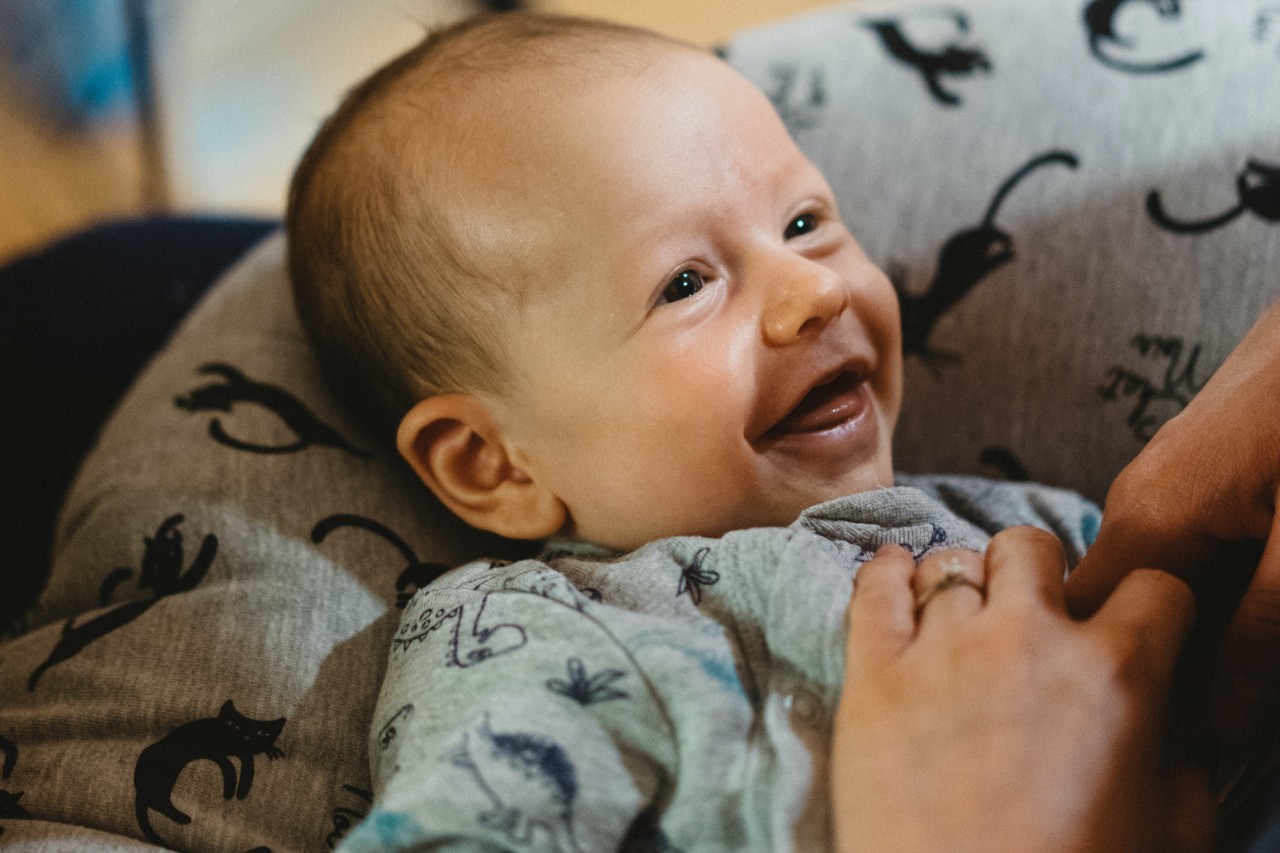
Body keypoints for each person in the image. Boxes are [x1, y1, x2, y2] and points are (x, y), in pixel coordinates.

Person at [285, 12, 1220, 851]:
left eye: (806, 222)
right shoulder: (544, 634)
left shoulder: (1035, 529)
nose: (816, 290)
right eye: (685, 283)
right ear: (493, 464)